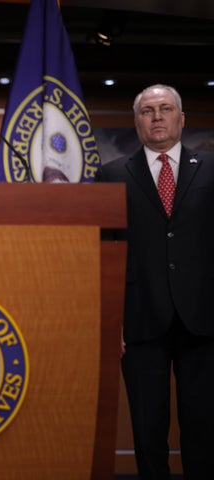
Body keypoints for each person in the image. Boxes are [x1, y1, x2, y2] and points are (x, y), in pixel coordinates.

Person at [96, 84, 214, 478]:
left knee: (203, 428)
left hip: (204, 322)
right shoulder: (111, 174)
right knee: (148, 430)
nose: (158, 117)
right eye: (148, 111)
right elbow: (103, 252)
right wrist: (112, 320)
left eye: (166, 109)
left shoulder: (211, 169)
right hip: (140, 322)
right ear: (137, 121)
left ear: (182, 118)